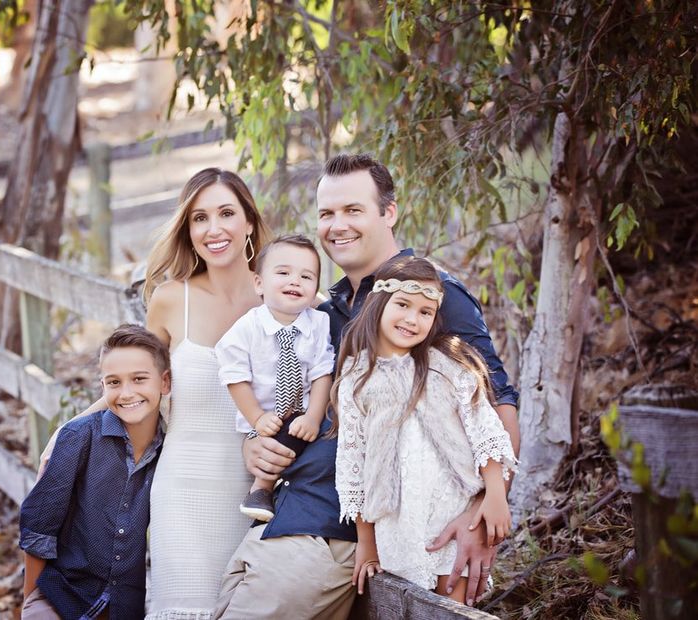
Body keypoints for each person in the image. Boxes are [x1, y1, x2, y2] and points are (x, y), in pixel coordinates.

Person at [216, 153, 521, 618]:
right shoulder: (325, 310)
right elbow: (290, 400)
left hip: (350, 534)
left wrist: (483, 516)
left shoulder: (428, 296)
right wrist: (253, 449)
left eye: (353, 210)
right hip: (298, 512)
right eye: (326, 213)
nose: (338, 225)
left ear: (389, 213)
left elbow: (494, 405)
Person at [333, 256, 518, 603]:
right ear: (378, 303)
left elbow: (485, 430)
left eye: (425, 312)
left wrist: (495, 494)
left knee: (452, 605)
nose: (411, 319)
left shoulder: (448, 365)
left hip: (449, 513)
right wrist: (366, 542)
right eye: (403, 305)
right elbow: (352, 462)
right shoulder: (357, 378)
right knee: (409, 605)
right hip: (397, 523)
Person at [143, 168, 273, 619]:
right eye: (200, 218)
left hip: (260, 502)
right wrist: (69, 433)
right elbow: (138, 387)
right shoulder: (169, 300)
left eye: (226, 213)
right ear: (188, 229)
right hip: (181, 496)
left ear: (250, 223)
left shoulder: (290, 302)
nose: (213, 229)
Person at [18, 324, 171, 619]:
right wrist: (31, 604)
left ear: (164, 383)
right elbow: (39, 526)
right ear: (102, 387)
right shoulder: (80, 437)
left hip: (123, 609)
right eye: (114, 382)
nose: (127, 393)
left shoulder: (169, 452)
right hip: (61, 598)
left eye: (139, 379)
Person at [215, 234, 334, 521]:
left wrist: (314, 417)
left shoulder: (318, 323)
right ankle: (262, 489)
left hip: (302, 416)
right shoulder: (247, 328)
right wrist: (256, 417)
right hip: (264, 420)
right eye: (283, 273)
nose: (295, 281)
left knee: (296, 434)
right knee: (273, 444)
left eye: (306, 276)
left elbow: (322, 373)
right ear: (259, 283)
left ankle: (275, 494)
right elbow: (235, 376)